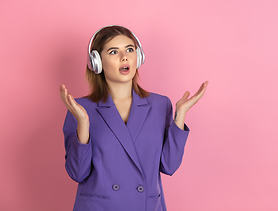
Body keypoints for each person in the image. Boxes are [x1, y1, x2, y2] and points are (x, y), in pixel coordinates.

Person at [60, 25, 208, 211]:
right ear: (96, 62)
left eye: (130, 49)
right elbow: (78, 173)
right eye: (114, 52)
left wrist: (180, 116)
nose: (124, 57)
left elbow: (169, 166)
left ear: (139, 57)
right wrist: (83, 123)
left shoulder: (160, 105)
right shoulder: (81, 108)